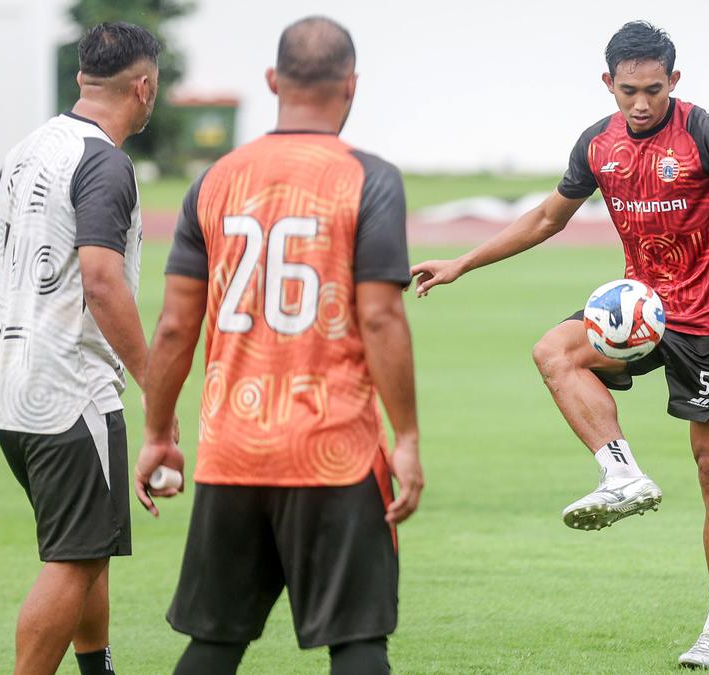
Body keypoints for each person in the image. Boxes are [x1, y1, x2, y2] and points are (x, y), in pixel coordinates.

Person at [411, 21, 709, 670]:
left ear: (674, 82)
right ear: (608, 84)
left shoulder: (708, 134)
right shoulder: (598, 143)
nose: (641, 103)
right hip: (640, 312)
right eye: (628, 91)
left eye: (654, 89)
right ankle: (620, 471)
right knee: (554, 351)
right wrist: (464, 262)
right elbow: (547, 217)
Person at [136, 16, 422, 675]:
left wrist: (156, 430)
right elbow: (380, 319)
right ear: (351, 85)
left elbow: (176, 325)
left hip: (232, 446)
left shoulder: (213, 181)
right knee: (357, 641)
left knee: (214, 641)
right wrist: (404, 437)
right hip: (335, 449)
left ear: (272, 81)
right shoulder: (371, 179)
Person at [0, 22, 159, 675]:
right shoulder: (105, 161)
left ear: (82, 78)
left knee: (85, 545)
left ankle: (96, 669)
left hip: (14, 388)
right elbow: (103, 281)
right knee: (73, 559)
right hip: (70, 392)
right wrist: (154, 384)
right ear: (144, 87)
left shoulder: (26, 149)